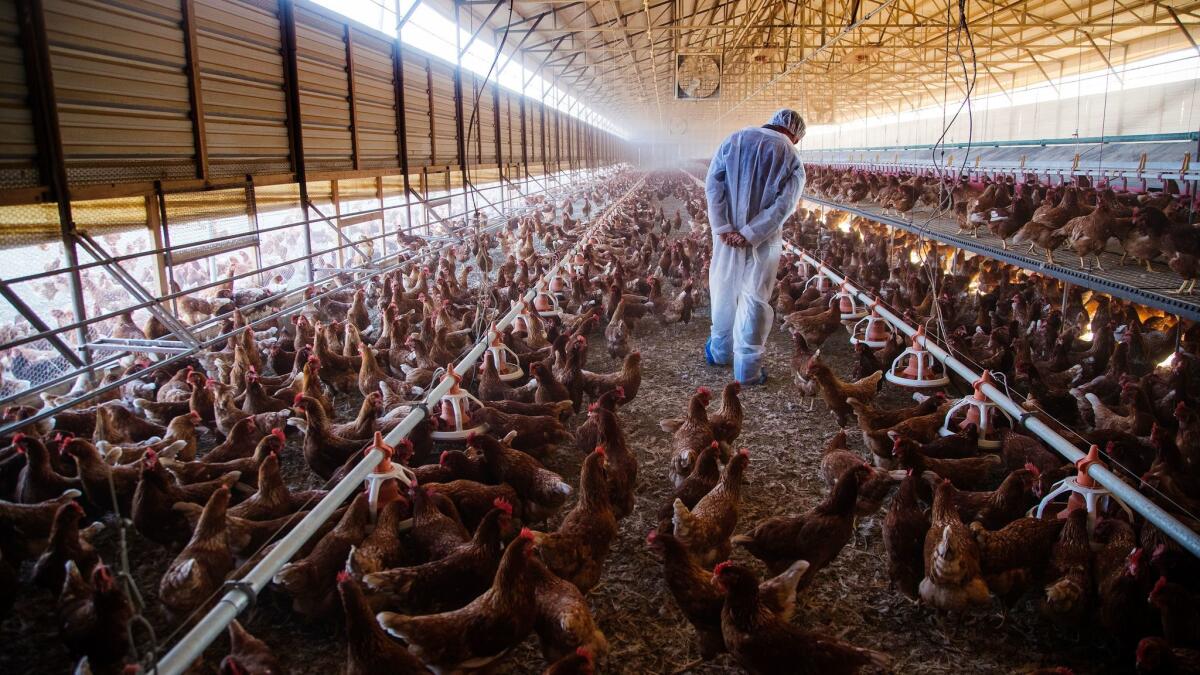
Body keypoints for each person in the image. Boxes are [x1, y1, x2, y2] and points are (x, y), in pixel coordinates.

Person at [704, 109, 806, 385]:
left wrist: (724, 227)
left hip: (726, 237)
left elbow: (713, 185)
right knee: (754, 298)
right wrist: (750, 233)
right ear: (795, 135)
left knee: (723, 288)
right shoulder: (793, 157)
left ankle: (719, 350)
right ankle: (747, 369)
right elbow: (783, 206)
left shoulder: (735, 139)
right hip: (763, 240)